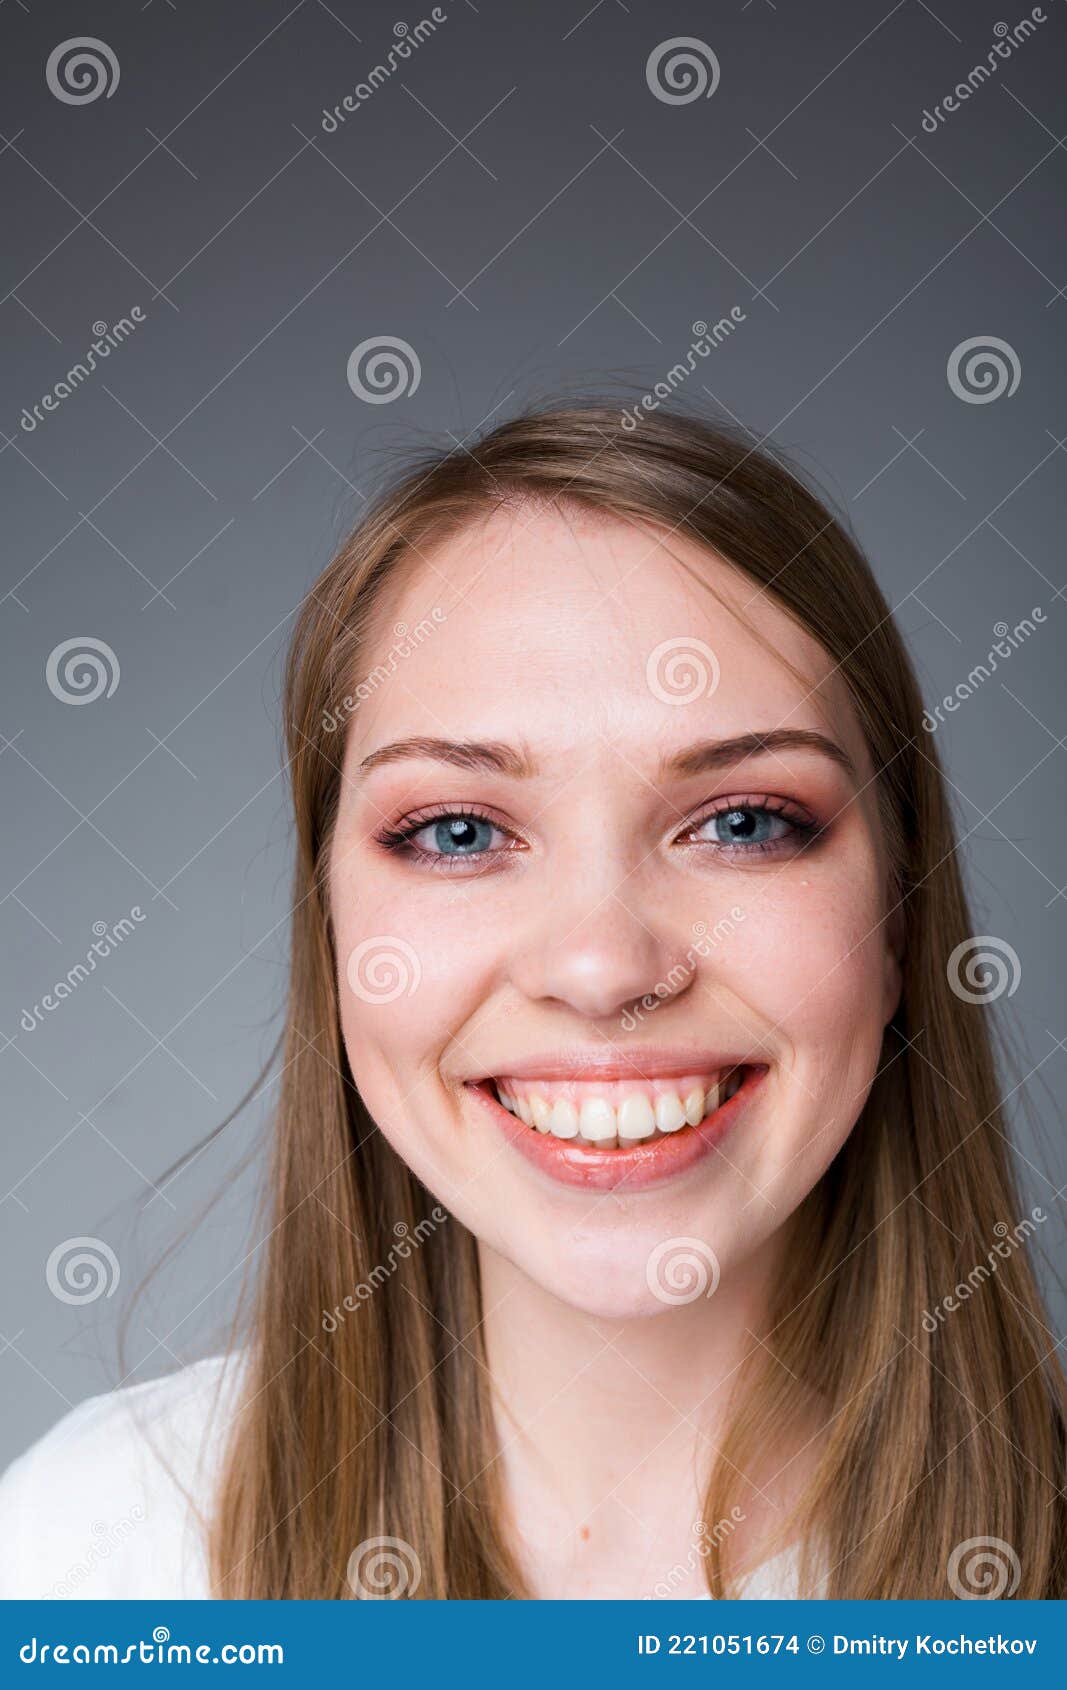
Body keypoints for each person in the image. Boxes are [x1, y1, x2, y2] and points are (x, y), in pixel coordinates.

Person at [2, 403, 1063, 1600]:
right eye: (458, 831)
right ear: (332, 921)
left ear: (899, 911)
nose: (604, 966)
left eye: (743, 822)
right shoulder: (76, 1557)